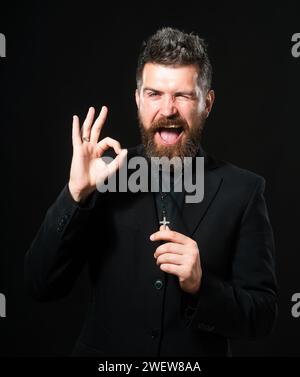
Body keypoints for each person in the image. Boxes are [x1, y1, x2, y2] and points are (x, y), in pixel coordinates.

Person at [24, 27, 278, 357]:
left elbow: (263, 316)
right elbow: (39, 285)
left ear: (207, 103)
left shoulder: (244, 190)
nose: (168, 109)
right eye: (154, 94)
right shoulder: (103, 175)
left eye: (183, 95)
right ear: (138, 99)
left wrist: (202, 286)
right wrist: (75, 195)